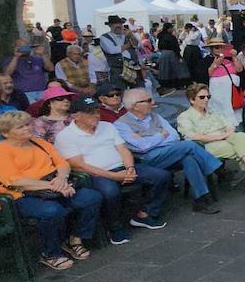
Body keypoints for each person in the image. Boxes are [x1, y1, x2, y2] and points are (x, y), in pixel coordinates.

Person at [0, 111, 102, 271]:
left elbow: (62, 163)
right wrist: (52, 186)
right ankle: (51, 253)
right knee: (52, 211)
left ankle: (74, 239)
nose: (27, 129)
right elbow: (14, 181)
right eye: (20, 127)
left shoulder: (38, 142)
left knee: (91, 197)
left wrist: (62, 179)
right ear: (5, 133)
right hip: (19, 196)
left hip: (54, 186)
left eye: (27, 124)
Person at [57, 95, 171, 242]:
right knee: (110, 192)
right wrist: (115, 176)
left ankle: (146, 213)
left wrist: (130, 168)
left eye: (96, 111)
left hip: (121, 167)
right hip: (96, 174)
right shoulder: (66, 136)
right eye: (90, 112)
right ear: (76, 116)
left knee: (161, 176)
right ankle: (114, 227)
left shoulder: (107, 126)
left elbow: (123, 149)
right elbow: (80, 165)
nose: (96, 115)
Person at [115, 88, 224, 214]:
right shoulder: (121, 125)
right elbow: (142, 147)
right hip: (147, 160)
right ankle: (219, 170)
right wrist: (161, 135)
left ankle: (200, 199)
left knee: (189, 159)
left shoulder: (156, 116)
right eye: (149, 100)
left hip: (169, 152)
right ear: (135, 106)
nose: (153, 102)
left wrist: (151, 139)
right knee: (189, 145)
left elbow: (174, 136)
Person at [177, 83, 245, 196]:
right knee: (243, 149)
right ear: (192, 100)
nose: (206, 100)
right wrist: (220, 136)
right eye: (202, 97)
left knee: (242, 137)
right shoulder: (185, 117)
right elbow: (193, 136)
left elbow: (230, 126)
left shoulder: (213, 112)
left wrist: (227, 133)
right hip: (205, 146)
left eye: (208, 97)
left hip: (226, 138)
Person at [4, 38, 54, 102]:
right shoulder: (10, 60)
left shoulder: (37, 59)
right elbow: (7, 74)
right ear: (16, 47)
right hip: (23, 94)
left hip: (42, 92)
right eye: (22, 47)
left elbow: (51, 68)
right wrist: (16, 56)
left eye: (27, 46)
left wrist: (42, 54)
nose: (26, 48)